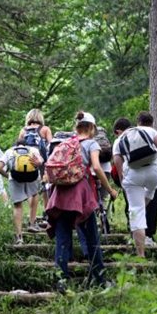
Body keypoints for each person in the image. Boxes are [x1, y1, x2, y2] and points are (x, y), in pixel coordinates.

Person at [46, 111, 118, 289]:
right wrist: (110, 189)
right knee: (92, 238)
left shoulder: (65, 143)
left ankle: (61, 282)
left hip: (61, 196)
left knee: (62, 239)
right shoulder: (91, 143)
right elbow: (96, 167)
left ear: (76, 127)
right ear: (92, 127)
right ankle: (100, 280)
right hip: (80, 195)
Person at [113, 111, 157, 257]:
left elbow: (117, 160)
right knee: (149, 193)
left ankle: (140, 255)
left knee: (136, 211)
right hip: (153, 173)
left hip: (133, 174)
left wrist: (122, 179)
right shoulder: (150, 131)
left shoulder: (120, 138)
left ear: (137, 122)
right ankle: (145, 216)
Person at [0, 139, 44, 244]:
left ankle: (19, 237)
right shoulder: (33, 149)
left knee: (17, 206)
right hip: (32, 177)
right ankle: (32, 223)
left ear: (16, 145)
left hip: (15, 178)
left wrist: (8, 175)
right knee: (34, 195)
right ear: (25, 145)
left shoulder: (9, 151)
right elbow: (40, 162)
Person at [18, 109, 53, 223]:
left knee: (30, 189)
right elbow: (51, 146)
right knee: (45, 187)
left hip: (27, 162)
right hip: (42, 162)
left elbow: (19, 147)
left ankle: (31, 214)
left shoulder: (23, 131)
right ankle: (47, 213)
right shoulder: (45, 129)